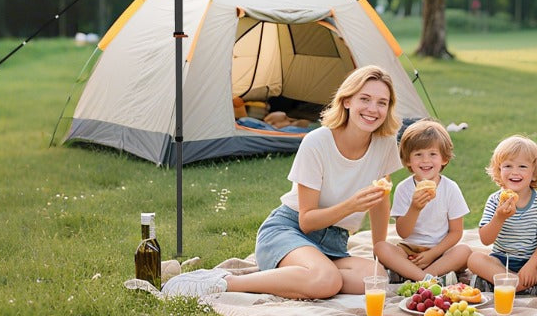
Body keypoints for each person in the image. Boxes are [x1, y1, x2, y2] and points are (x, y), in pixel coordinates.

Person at [162, 65, 401, 300]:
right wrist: (351, 206)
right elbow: (306, 222)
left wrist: (381, 252)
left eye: (382, 102)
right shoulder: (317, 142)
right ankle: (223, 282)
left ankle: (306, 275)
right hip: (288, 230)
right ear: (347, 100)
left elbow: (380, 202)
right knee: (327, 280)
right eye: (365, 99)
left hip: (334, 244)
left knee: (375, 278)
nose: (373, 109)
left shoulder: (385, 144)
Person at [375, 119, 472, 283]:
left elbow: (456, 232)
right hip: (409, 250)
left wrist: (433, 254)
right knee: (380, 248)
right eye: (418, 154)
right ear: (407, 160)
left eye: (432, 154)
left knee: (464, 251)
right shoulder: (404, 188)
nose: (425, 160)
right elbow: (403, 233)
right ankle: (427, 278)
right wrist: (415, 208)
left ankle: (412, 275)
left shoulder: (450, 188)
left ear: (444, 159)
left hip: (440, 251)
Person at [467, 135, 537, 292]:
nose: (515, 172)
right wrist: (499, 218)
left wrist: (531, 266)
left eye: (522, 167)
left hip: (531, 261)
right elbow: (485, 240)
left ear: (534, 173)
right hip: (501, 261)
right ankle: (523, 286)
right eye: (508, 166)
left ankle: (506, 284)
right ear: (499, 170)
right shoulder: (495, 200)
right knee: (474, 259)